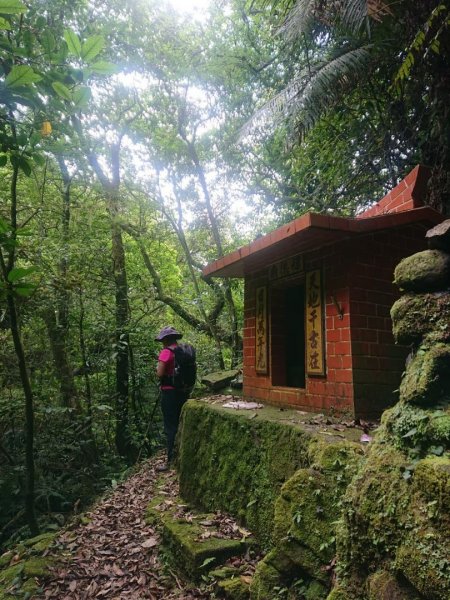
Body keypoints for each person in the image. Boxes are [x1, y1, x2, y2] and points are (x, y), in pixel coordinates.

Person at [155, 326, 189, 471]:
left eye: (163, 340)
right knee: (180, 422)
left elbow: (160, 373)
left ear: (166, 339)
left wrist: (157, 369)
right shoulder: (183, 351)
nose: (162, 342)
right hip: (183, 392)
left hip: (169, 393)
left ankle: (170, 461)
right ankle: (183, 454)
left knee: (170, 426)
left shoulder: (166, 352)